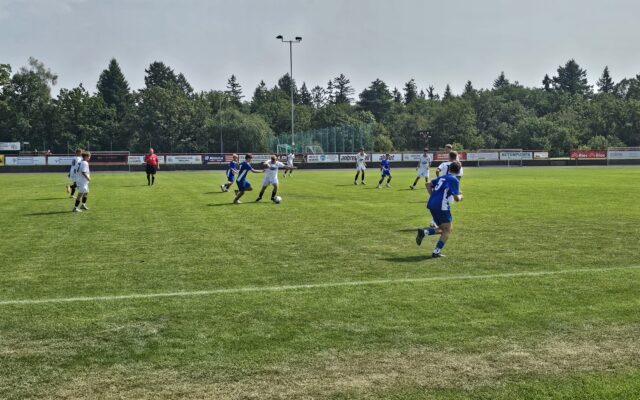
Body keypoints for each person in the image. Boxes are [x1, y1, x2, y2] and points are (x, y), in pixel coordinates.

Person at [415, 162, 463, 258]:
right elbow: (456, 199)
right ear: (458, 171)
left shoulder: (442, 177)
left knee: (443, 229)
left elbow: (428, 184)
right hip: (442, 206)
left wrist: (433, 196)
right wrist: (461, 196)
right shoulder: (454, 180)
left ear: (449, 169)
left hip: (432, 204)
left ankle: (425, 232)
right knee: (447, 230)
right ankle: (436, 252)